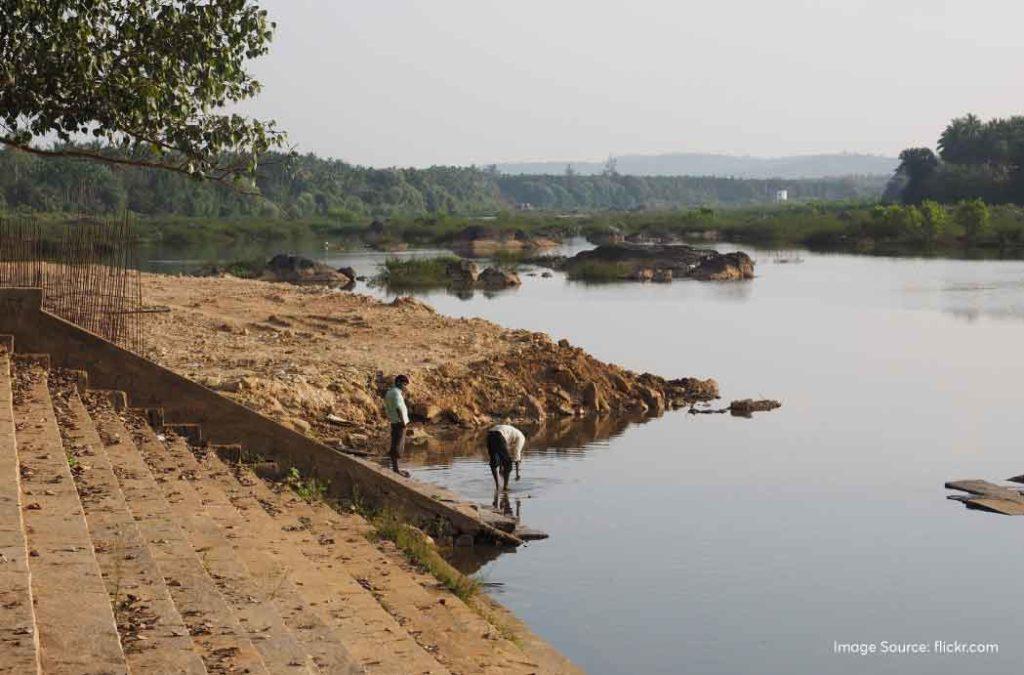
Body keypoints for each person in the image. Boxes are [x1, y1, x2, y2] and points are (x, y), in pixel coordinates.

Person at [486, 423, 525, 491]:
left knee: (494, 462)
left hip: (490, 435)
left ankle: (497, 486)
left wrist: (501, 467)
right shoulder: (521, 437)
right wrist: (517, 474)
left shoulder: (513, 432)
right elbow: (517, 454)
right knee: (508, 464)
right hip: (499, 435)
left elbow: (503, 453)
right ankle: (505, 487)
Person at [384, 374, 410, 475]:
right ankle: (396, 470)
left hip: (394, 421)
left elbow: (388, 407)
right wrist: (403, 422)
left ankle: (395, 468)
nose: (405, 387)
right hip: (400, 422)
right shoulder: (396, 394)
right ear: (399, 383)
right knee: (398, 445)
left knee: (395, 443)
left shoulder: (390, 392)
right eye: (404, 384)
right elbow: (399, 409)